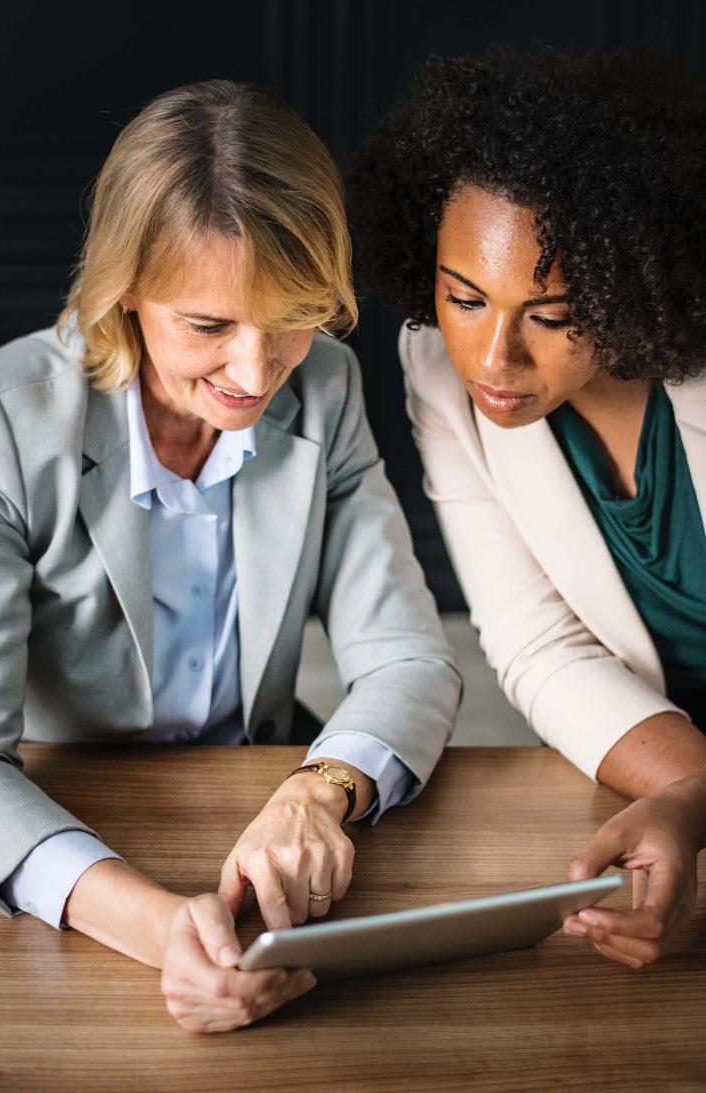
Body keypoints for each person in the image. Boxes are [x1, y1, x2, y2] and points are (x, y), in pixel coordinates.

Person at [0, 80, 460, 1033]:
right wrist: (158, 928)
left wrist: (321, 790)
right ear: (125, 293)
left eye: (293, 315)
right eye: (210, 326)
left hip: (259, 795)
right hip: (68, 817)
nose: (257, 374)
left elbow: (412, 659)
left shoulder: (329, 386)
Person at [348, 45, 706, 971]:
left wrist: (696, 809)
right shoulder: (439, 368)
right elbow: (537, 645)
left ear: (633, 282)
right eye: (464, 296)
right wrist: (691, 795)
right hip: (663, 769)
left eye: (549, 315)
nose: (492, 358)